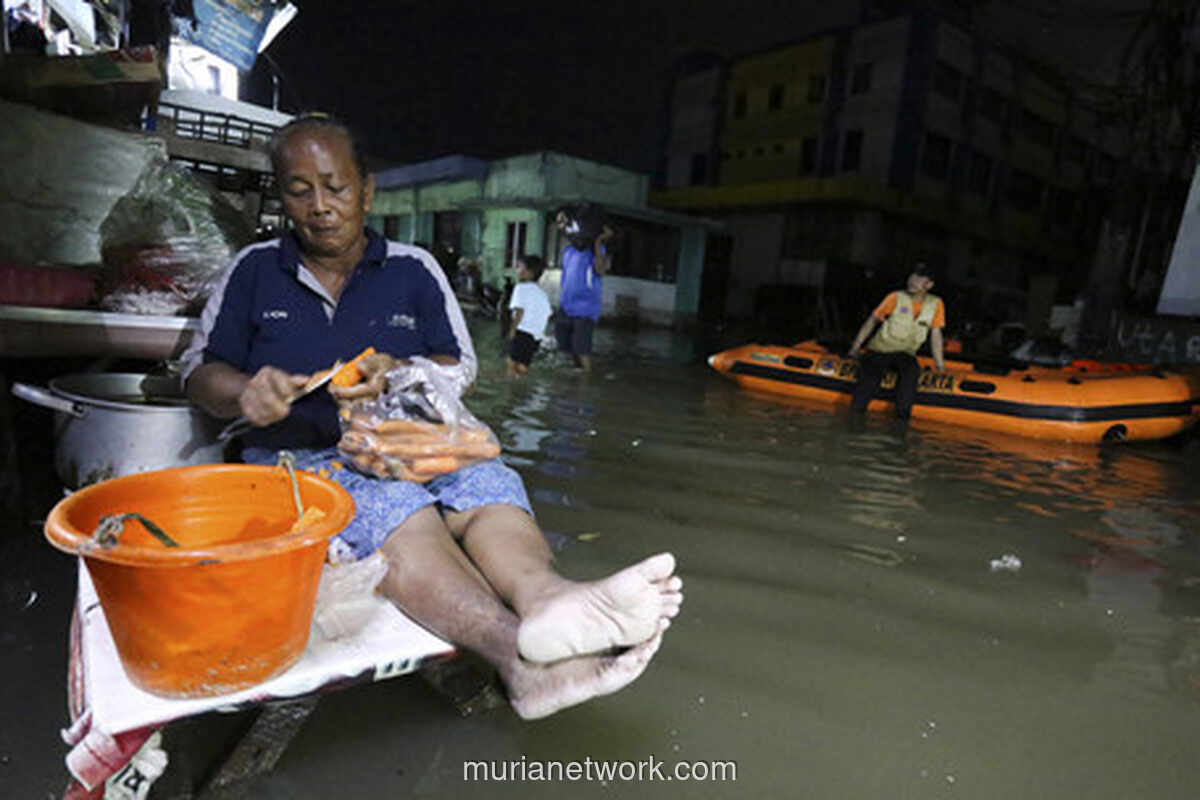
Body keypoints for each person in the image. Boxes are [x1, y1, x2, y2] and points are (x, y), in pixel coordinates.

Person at [181, 114, 682, 720]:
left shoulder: (415, 270)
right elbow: (200, 373)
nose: (319, 206)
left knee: (489, 484)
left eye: (335, 187)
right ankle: (519, 662)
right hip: (301, 458)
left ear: (367, 190)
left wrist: (401, 370)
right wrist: (244, 393)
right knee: (398, 512)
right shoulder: (255, 271)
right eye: (298, 189)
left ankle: (551, 599)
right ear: (281, 194)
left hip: (411, 439)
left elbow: (460, 363)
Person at [846, 263, 947, 421]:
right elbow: (871, 321)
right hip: (880, 350)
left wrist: (940, 366)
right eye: (912, 276)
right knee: (869, 380)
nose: (913, 281)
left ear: (929, 285)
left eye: (920, 278)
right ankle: (854, 418)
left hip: (904, 354)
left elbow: (936, 334)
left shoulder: (936, 304)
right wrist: (855, 348)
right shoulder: (895, 297)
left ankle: (901, 421)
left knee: (911, 372)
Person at [554, 207, 613, 372]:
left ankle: (585, 383)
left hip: (585, 310)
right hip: (566, 306)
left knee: (582, 350)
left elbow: (600, 271)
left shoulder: (597, 251)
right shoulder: (568, 251)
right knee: (567, 348)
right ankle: (575, 380)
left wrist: (599, 241)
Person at [506, 255, 552, 377]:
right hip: (535, 337)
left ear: (529, 273)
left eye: (519, 267)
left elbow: (519, 311)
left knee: (511, 362)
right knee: (522, 365)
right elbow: (547, 313)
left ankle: (512, 388)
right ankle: (521, 388)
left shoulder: (520, 288)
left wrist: (512, 331)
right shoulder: (541, 293)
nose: (516, 270)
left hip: (522, 332)